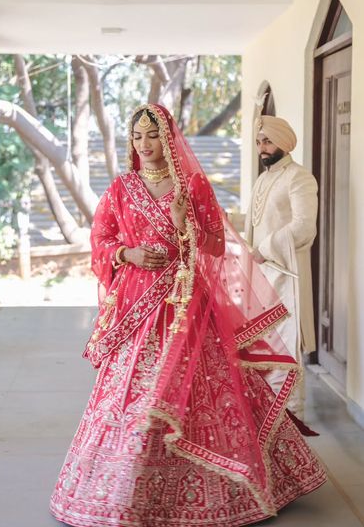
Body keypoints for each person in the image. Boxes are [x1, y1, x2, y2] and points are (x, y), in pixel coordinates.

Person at [50, 104, 326, 527]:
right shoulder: (122, 188)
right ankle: (123, 493)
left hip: (188, 309)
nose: (145, 144)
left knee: (204, 393)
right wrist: (128, 253)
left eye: (153, 135)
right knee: (135, 401)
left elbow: (216, 246)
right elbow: (101, 240)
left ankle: (226, 489)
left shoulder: (192, 185)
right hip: (138, 311)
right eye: (138, 136)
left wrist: (186, 225)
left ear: (169, 138)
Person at [244, 115, 318, 418]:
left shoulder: (299, 177)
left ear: (284, 142)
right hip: (260, 279)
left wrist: (264, 248)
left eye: (268, 141)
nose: (262, 147)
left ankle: (292, 432)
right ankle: (267, 434)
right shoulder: (263, 179)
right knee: (262, 353)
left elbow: (304, 226)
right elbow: (256, 225)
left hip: (287, 278)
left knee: (285, 355)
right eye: (259, 141)